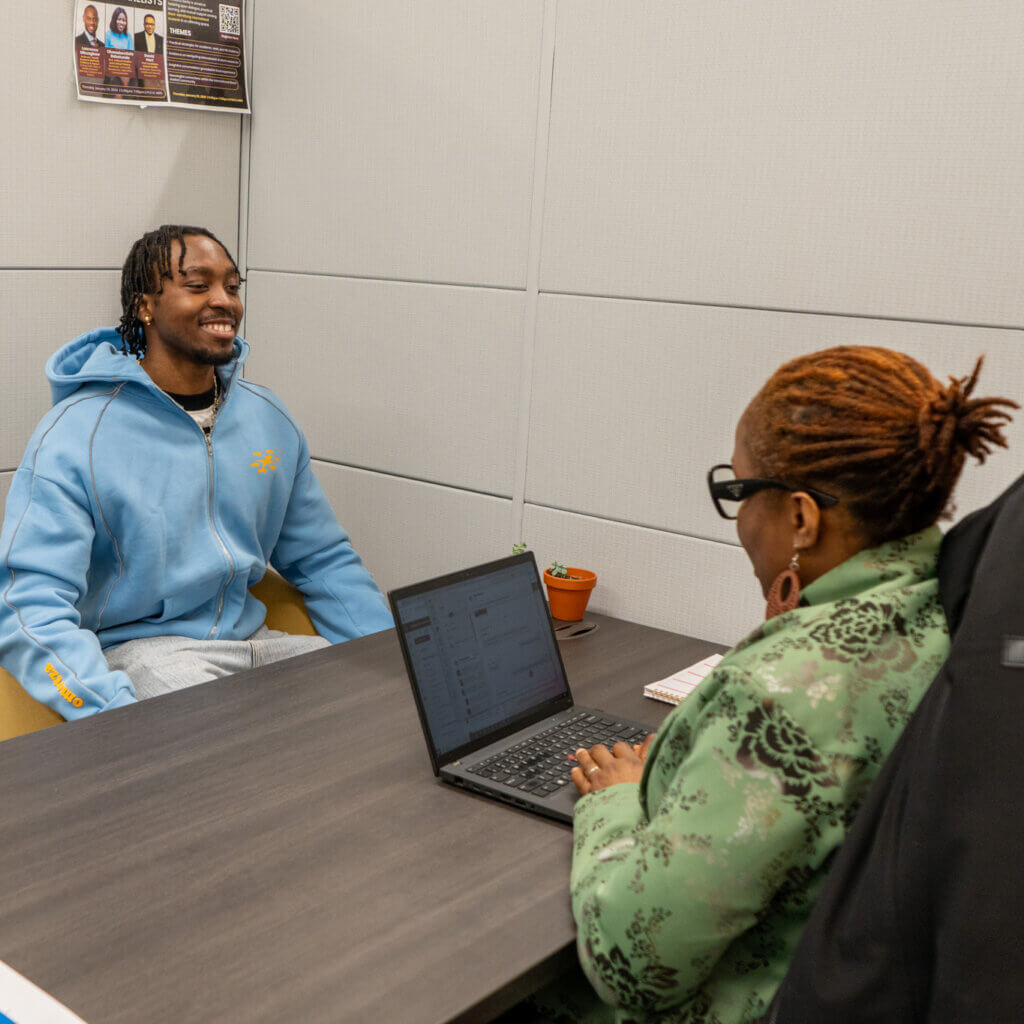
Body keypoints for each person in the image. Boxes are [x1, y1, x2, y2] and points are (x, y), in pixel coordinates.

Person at [528, 347, 1016, 1024]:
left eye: (738, 492)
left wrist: (612, 804)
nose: (737, 519)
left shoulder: (781, 696)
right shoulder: (948, 611)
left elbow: (633, 965)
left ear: (802, 519)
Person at [0, 225, 393, 719]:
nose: (223, 301)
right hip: (144, 654)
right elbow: (27, 603)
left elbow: (323, 560)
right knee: (234, 757)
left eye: (231, 286)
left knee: (377, 715)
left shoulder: (267, 418)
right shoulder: (76, 434)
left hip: (255, 642)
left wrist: (389, 660)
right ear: (145, 305)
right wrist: (110, 712)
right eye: (197, 285)